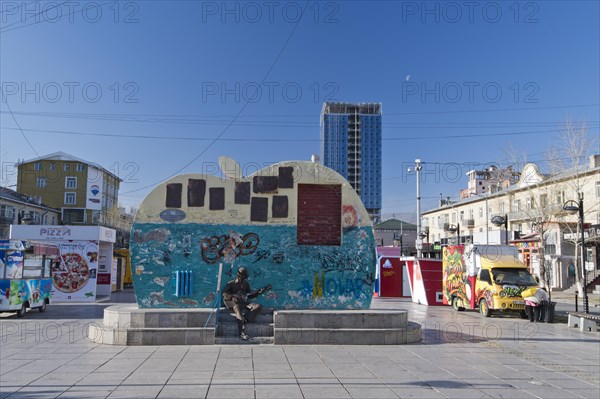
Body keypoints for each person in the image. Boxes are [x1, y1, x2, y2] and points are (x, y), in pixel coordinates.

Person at [222, 267, 270, 340]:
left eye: (244, 275)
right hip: (233, 303)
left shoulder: (245, 284)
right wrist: (232, 297)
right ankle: (242, 333)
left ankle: (245, 319)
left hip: (242, 302)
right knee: (237, 308)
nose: (242, 277)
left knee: (257, 306)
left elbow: (249, 295)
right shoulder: (232, 283)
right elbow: (224, 293)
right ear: (238, 274)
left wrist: (259, 292)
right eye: (241, 275)